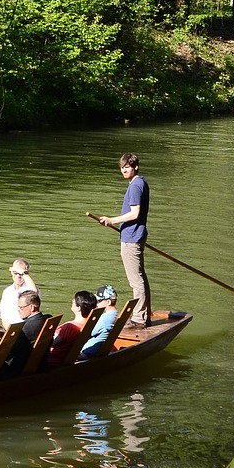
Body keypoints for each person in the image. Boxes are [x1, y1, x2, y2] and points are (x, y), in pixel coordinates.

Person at [99, 152, 152, 327]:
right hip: (136, 235)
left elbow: (135, 213)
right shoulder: (140, 183)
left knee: (136, 281)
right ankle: (144, 315)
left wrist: (111, 220)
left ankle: (138, 319)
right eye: (122, 168)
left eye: (127, 167)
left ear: (135, 167)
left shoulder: (136, 186)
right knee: (140, 278)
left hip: (132, 238)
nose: (124, 170)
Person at [1, 290, 52, 377]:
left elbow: (9, 351)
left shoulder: (25, 329)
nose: (19, 310)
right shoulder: (48, 319)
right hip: (41, 364)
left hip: (19, 370)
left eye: (21, 307)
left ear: (31, 307)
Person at [47, 291, 96, 368]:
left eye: (74, 301)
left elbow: (52, 343)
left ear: (79, 308)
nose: (72, 301)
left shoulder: (70, 327)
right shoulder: (88, 325)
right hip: (66, 359)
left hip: (53, 360)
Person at [80, 285, 119, 359]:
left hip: (88, 354)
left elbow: (85, 334)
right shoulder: (116, 314)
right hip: (98, 351)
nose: (96, 303)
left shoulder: (104, 319)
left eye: (99, 301)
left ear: (108, 302)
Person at [0, 258, 40, 325]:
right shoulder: (7, 292)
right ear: (11, 273)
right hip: (11, 330)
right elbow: (4, 318)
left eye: (20, 274)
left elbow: (34, 292)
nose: (18, 276)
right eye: (15, 273)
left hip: (27, 328)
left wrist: (23, 272)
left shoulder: (30, 288)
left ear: (27, 273)